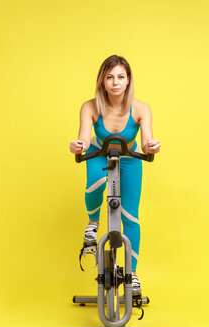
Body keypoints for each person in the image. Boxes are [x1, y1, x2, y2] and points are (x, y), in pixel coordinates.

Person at [69, 55, 161, 296]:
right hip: (98, 151)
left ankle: (132, 274)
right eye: (109, 77)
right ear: (102, 81)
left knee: (130, 217)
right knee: (97, 182)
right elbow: (83, 137)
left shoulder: (141, 109)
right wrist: (78, 146)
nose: (115, 82)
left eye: (120, 77)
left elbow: (146, 141)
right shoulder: (90, 107)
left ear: (128, 80)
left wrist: (151, 147)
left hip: (128, 157)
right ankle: (92, 225)